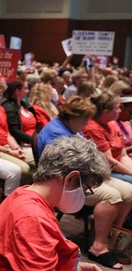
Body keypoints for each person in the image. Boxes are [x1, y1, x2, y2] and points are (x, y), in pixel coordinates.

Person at [37, 96, 132, 269]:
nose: (87, 123)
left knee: (129, 192)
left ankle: (112, 238)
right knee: (113, 196)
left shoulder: (73, 128)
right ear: (73, 118)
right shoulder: (56, 132)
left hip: (83, 176)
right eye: (85, 119)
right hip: (68, 181)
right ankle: (99, 246)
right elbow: (66, 171)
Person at [0, 136, 108, 271]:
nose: (83, 195)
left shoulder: (22, 194)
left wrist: (76, 267)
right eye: (85, 189)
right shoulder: (33, 218)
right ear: (71, 178)